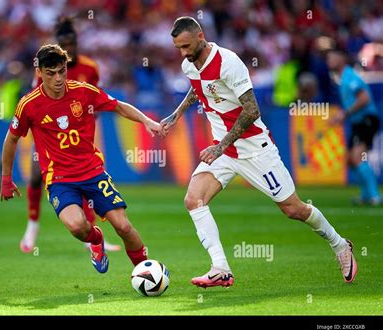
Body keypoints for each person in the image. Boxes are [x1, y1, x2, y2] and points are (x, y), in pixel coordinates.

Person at [159, 17, 357, 288]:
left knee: (293, 209)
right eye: (178, 48)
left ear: (201, 36)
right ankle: (221, 268)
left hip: (254, 150)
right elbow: (198, 89)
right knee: (194, 200)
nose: (183, 53)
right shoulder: (188, 64)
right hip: (224, 152)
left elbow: (252, 111)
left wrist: (220, 146)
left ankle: (340, 244)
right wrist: (176, 114)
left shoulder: (228, 63)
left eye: (186, 46)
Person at [0, 44, 159, 272]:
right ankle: (96, 240)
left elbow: (118, 107)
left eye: (61, 71)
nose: (58, 78)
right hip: (60, 179)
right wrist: (6, 179)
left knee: (123, 226)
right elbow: (11, 140)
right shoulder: (29, 104)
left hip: (93, 171)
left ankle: (146, 272)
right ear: (39, 73)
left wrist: (146, 121)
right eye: (50, 73)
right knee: (77, 226)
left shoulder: (84, 91)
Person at [21, 17, 121, 253]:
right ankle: (32, 225)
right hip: (52, 133)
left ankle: (93, 236)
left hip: (82, 133)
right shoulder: (47, 68)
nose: (69, 49)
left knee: (86, 177)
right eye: (64, 45)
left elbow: (97, 98)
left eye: (72, 44)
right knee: (36, 176)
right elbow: (40, 99)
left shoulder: (90, 68)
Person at [326, 49, 381, 206]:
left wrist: (345, 113)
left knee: (357, 157)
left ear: (341, 59)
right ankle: (366, 195)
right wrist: (342, 117)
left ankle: (375, 195)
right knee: (351, 159)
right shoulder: (343, 78)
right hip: (359, 122)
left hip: (366, 120)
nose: (328, 61)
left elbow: (364, 98)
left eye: (331, 57)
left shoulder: (350, 76)